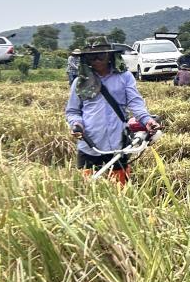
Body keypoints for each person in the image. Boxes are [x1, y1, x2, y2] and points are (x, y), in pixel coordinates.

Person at [64, 36, 159, 185]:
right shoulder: (79, 82)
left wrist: (147, 120)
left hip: (118, 143)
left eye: (100, 55)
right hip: (89, 143)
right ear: (86, 59)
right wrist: (77, 124)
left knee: (120, 190)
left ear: (109, 55)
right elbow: (73, 111)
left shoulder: (125, 77)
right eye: (91, 56)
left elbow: (135, 103)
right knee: (87, 190)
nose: (96, 60)